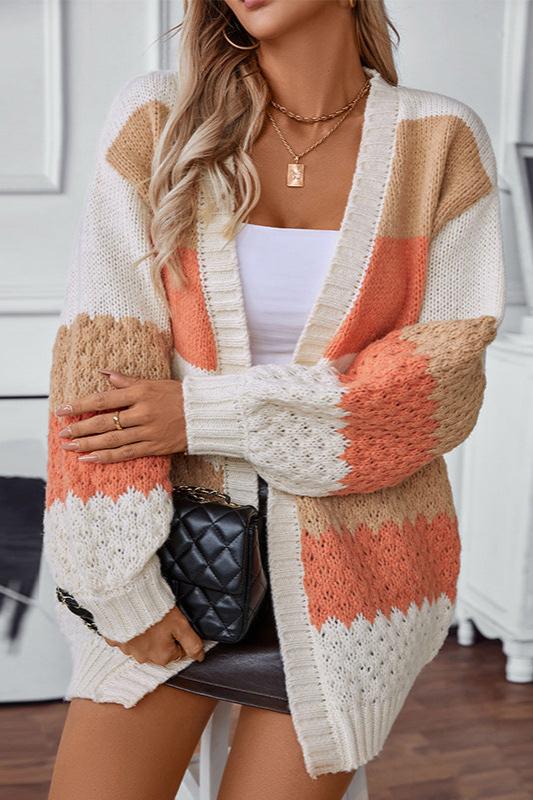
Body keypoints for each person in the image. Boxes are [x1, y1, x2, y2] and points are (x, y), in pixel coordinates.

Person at [44, 1, 506, 798]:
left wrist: (200, 414)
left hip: (356, 584)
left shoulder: (438, 140)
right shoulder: (157, 117)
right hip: (163, 558)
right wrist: (119, 587)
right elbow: (97, 373)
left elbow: (438, 387)